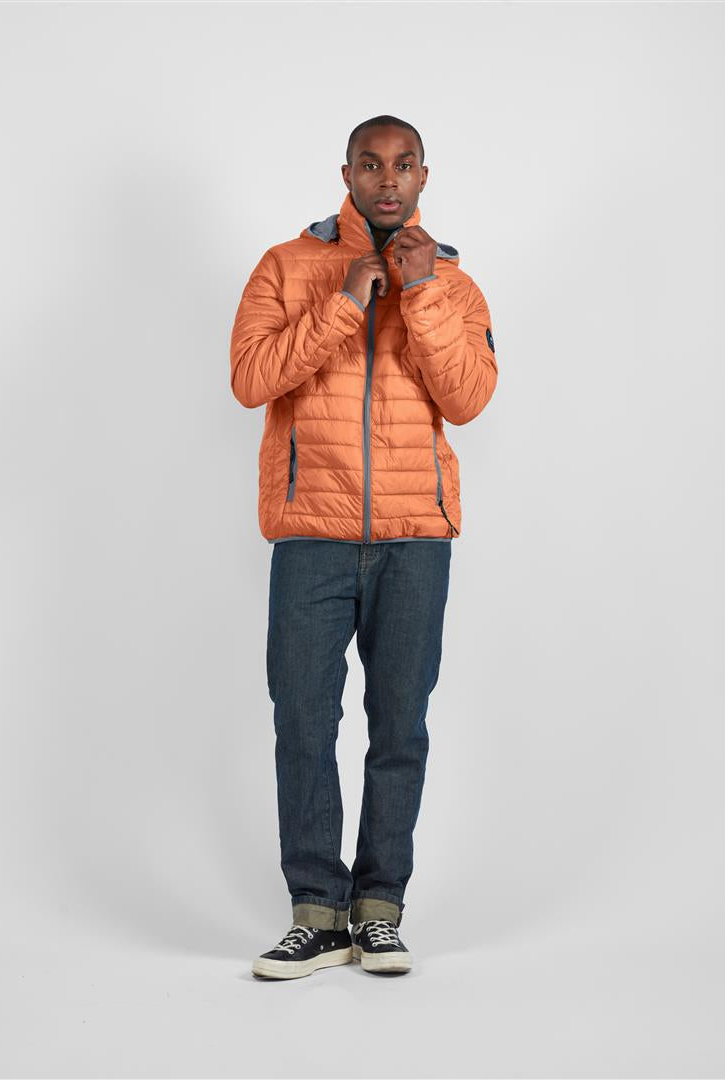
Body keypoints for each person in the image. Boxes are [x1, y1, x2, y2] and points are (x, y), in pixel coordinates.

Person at [229, 115, 498, 979]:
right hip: (311, 533)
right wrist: (345, 301)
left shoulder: (453, 283)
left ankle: (379, 910)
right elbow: (251, 380)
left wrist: (420, 295)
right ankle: (317, 914)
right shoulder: (286, 266)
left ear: (424, 176)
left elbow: (468, 400)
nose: (388, 179)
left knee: (399, 726)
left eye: (403, 165)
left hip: (416, 539)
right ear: (345, 172)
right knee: (304, 722)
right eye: (371, 164)